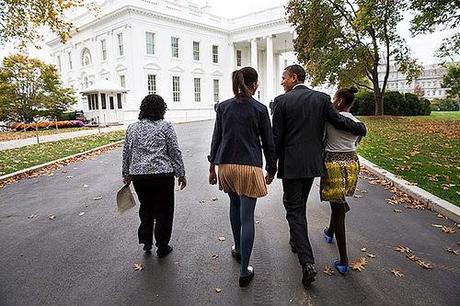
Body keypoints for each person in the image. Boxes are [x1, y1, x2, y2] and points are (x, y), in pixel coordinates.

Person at [272, 64, 367, 287]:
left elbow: (276, 136)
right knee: (299, 205)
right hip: (313, 165)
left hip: (292, 165)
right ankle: (296, 239)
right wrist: (361, 128)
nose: (282, 82)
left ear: (294, 77)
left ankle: (307, 263)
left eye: (284, 78)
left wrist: (271, 166)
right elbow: (339, 121)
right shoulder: (322, 98)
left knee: (293, 209)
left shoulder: (281, 101)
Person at [208, 67, 277, 287]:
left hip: (226, 167)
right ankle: (244, 270)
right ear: (254, 84)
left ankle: (237, 248)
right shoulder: (259, 108)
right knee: (247, 217)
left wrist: (212, 167)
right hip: (249, 167)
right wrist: (272, 168)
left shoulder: (223, 107)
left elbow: (216, 138)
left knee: (234, 207)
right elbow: (268, 142)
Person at [122, 94, 186, 258]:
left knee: (146, 208)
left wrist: (126, 174)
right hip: (162, 175)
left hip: (139, 177)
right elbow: (174, 151)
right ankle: (162, 246)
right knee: (164, 211)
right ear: (161, 109)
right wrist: (181, 173)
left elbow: (126, 153)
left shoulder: (132, 128)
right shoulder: (165, 126)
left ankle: (146, 242)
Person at [321, 87, 362, 275]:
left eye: (334, 98)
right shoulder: (358, 123)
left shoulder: (330, 121)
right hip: (352, 164)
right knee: (337, 200)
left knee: (338, 207)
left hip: (334, 165)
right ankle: (330, 232)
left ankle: (344, 260)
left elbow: (322, 140)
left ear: (339, 101)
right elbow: (356, 143)